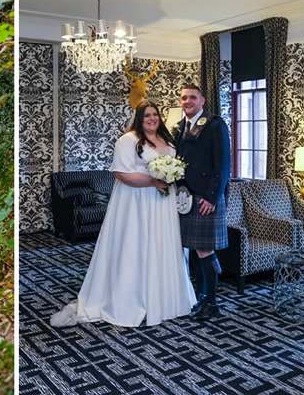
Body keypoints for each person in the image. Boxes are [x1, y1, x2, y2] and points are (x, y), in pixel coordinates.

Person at [51, 100, 196, 328]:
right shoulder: (128, 140)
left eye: (155, 114)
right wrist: (153, 180)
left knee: (162, 245)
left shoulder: (168, 139)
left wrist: (169, 179)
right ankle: (132, 299)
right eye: (147, 115)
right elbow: (121, 174)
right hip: (136, 202)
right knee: (135, 246)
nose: (152, 118)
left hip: (163, 204)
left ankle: (166, 300)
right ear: (139, 118)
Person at [175, 84, 231, 321]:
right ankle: (200, 298)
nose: (187, 101)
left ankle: (212, 302)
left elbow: (223, 164)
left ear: (202, 100)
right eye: (183, 98)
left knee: (204, 249)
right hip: (186, 198)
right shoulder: (179, 127)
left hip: (205, 198)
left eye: (192, 98)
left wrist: (212, 197)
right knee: (194, 248)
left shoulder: (215, 124)